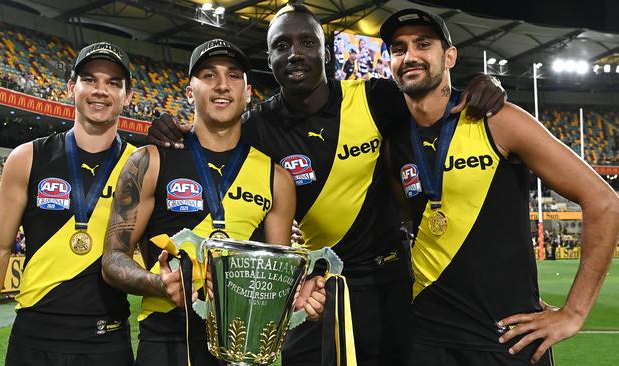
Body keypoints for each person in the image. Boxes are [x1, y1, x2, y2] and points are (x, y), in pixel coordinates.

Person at [147, 4, 506, 365]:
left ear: (326, 52)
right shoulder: (255, 126)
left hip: (386, 286)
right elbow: (208, 137)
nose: (295, 53)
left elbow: (431, 96)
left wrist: (481, 82)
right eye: (282, 45)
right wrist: (168, 128)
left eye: (306, 42)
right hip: (309, 290)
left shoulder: (374, 98)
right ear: (269, 58)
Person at [382, 8, 619, 366]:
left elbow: (603, 201)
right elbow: (405, 221)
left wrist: (574, 312)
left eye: (423, 44)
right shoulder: (393, 140)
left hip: (506, 341)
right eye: (398, 48)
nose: (409, 56)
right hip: (425, 339)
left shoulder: (499, 120)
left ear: (449, 56)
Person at [102, 39, 324, 366]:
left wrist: (298, 296)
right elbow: (112, 259)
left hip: (242, 345)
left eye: (234, 75)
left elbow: (276, 278)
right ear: (189, 91)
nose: (222, 85)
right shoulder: (149, 161)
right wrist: (158, 284)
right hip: (167, 341)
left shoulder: (276, 178)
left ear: (248, 92)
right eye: (208, 75)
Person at [0, 41, 137, 366]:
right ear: (72, 87)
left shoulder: (142, 166)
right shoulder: (26, 158)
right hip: (34, 336)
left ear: (128, 96)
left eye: (113, 83)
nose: (100, 90)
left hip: (107, 340)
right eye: (90, 79)